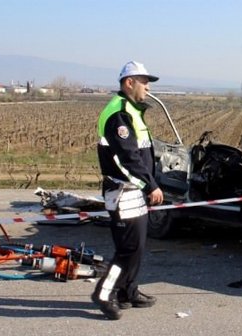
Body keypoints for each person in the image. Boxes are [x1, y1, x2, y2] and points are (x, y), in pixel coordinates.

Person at [92, 61, 164, 320]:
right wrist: (151, 184)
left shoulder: (132, 111)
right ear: (128, 82)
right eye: (143, 81)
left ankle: (127, 292)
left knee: (137, 246)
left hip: (133, 192)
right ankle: (103, 293)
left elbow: (140, 152)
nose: (147, 86)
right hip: (122, 192)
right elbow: (127, 157)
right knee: (128, 248)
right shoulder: (119, 114)